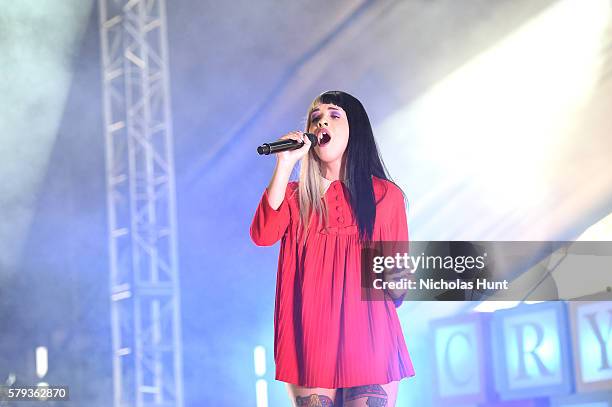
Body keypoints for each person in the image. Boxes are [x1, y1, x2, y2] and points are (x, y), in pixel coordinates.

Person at [250, 91, 415, 407]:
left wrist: (398, 274)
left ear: (356, 130)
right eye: (315, 117)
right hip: (310, 335)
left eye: (334, 114)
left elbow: (397, 289)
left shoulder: (385, 196)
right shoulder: (295, 197)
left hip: (369, 334)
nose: (321, 120)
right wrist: (284, 164)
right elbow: (263, 234)